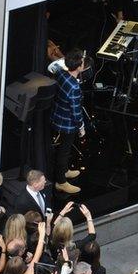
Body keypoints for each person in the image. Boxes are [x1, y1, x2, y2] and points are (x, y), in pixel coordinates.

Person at [49, 50, 87, 195]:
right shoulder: (74, 87)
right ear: (78, 67)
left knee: (64, 151)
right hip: (67, 124)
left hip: (57, 116)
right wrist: (81, 127)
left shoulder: (61, 74)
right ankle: (61, 182)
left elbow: (55, 67)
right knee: (64, 151)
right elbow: (76, 111)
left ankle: (64, 170)